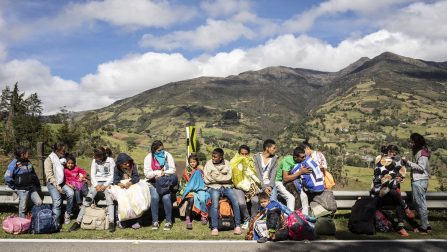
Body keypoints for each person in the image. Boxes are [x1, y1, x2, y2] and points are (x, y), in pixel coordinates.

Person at [69, 147, 116, 232]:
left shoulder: (110, 160)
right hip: (97, 183)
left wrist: (105, 185)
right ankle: (78, 221)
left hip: (108, 183)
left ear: (102, 156)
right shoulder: (94, 160)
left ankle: (111, 222)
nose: (96, 158)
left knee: (110, 200)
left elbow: (112, 175)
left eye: (98, 157)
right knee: (87, 200)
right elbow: (92, 175)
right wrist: (96, 185)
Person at [372, 144, 414, 237]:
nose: (392, 155)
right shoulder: (380, 158)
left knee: (396, 197)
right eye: (391, 152)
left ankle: (400, 227)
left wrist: (399, 178)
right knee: (393, 193)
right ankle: (406, 208)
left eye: (394, 154)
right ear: (387, 151)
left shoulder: (398, 160)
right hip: (381, 189)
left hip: (392, 188)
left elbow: (402, 172)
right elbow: (377, 172)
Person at [204, 148, 242, 236]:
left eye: (215, 157)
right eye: (212, 156)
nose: (213, 158)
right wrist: (222, 177)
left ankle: (237, 225)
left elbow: (229, 177)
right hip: (214, 187)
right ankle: (214, 227)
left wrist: (216, 177)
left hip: (227, 187)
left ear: (221, 157)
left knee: (235, 202)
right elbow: (207, 179)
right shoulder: (208, 164)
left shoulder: (227, 164)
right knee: (215, 204)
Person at [144, 140, 177, 231]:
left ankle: (169, 221)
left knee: (166, 198)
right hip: (153, 182)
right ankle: (155, 220)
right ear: (154, 150)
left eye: (162, 149)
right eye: (159, 150)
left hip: (165, 182)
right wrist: (157, 172)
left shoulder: (167, 155)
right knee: (155, 197)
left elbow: (173, 170)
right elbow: (147, 174)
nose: (161, 151)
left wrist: (163, 173)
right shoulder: (148, 158)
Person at [402, 133, 432, 234]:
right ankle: (426, 225)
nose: (410, 143)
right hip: (419, 180)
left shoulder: (422, 152)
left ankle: (424, 228)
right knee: (418, 203)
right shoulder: (420, 151)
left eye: (412, 141)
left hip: (420, 180)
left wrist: (408, 162)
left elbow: (421, 168)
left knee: (420, 204)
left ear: (416, 142)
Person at [4, 146, 42, 218]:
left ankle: (33, 218)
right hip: (22, 190)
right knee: (22, 208)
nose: (29, 154)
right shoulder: (14, 164)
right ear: (22, 154)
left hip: (31, 188)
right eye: (27, 153)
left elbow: (33, 174)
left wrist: (37, 184)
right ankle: (22, 223)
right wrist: (14, 187)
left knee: (39, 202)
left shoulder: (28, 162)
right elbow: (7, 177)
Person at [231, 145, 261, 229]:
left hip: (250, 186)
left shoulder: (252, 162)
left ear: (249, 154)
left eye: (246, 154)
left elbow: (255, 174)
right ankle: (246, 219)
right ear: (238, 153)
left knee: (255, 200)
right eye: (242, 154)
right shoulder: (233, 162)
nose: (244, 156)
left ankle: (253, 219)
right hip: (238, 186)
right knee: (241, 203)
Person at [44, 142, 74, 226]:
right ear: (57, 151)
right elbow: (49, 176)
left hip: (63, 182)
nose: (64, 152)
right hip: (53, 183)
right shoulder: (49, 159)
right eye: (62, 151)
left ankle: (67, 214)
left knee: (71, 193)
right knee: (57, 201)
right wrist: (57, 186)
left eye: (64, 151)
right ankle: (55, 223)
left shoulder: (64, 157)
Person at [177, 154, 209, 229]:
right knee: (191, 199)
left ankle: (203, 216)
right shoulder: (187, 170)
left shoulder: (200, 169)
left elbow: (203, 179)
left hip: (200, 188)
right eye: (191, 162)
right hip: (188, 188)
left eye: (194, 162)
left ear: (197, 162)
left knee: (204, 197)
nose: (192, 163)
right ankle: (188, 218)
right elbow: (187, 182)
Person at [114, 153, 142, 229]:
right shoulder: (116, 168)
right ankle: (122, 220)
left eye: (127, 162)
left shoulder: (133, 165)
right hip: (122, 188)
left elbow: (136, 177)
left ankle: (136, 220)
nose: (127, 164)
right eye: (124, 163)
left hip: (132, 186)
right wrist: (119, 183)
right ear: (120, 164)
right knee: (122, 200)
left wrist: (130, 182)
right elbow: (115, 179)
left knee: (135, 198)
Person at [282, 146, 313, 215]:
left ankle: (305, 218)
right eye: (302, 157)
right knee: (294, 197)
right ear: (295, 158)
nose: (304, 158)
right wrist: (300, 172)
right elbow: (285, 178)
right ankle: (292, 218)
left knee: (304, 196)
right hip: (283, 182)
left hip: (294, 181)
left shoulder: (300, 162)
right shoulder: (287, 160)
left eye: (305, 156)